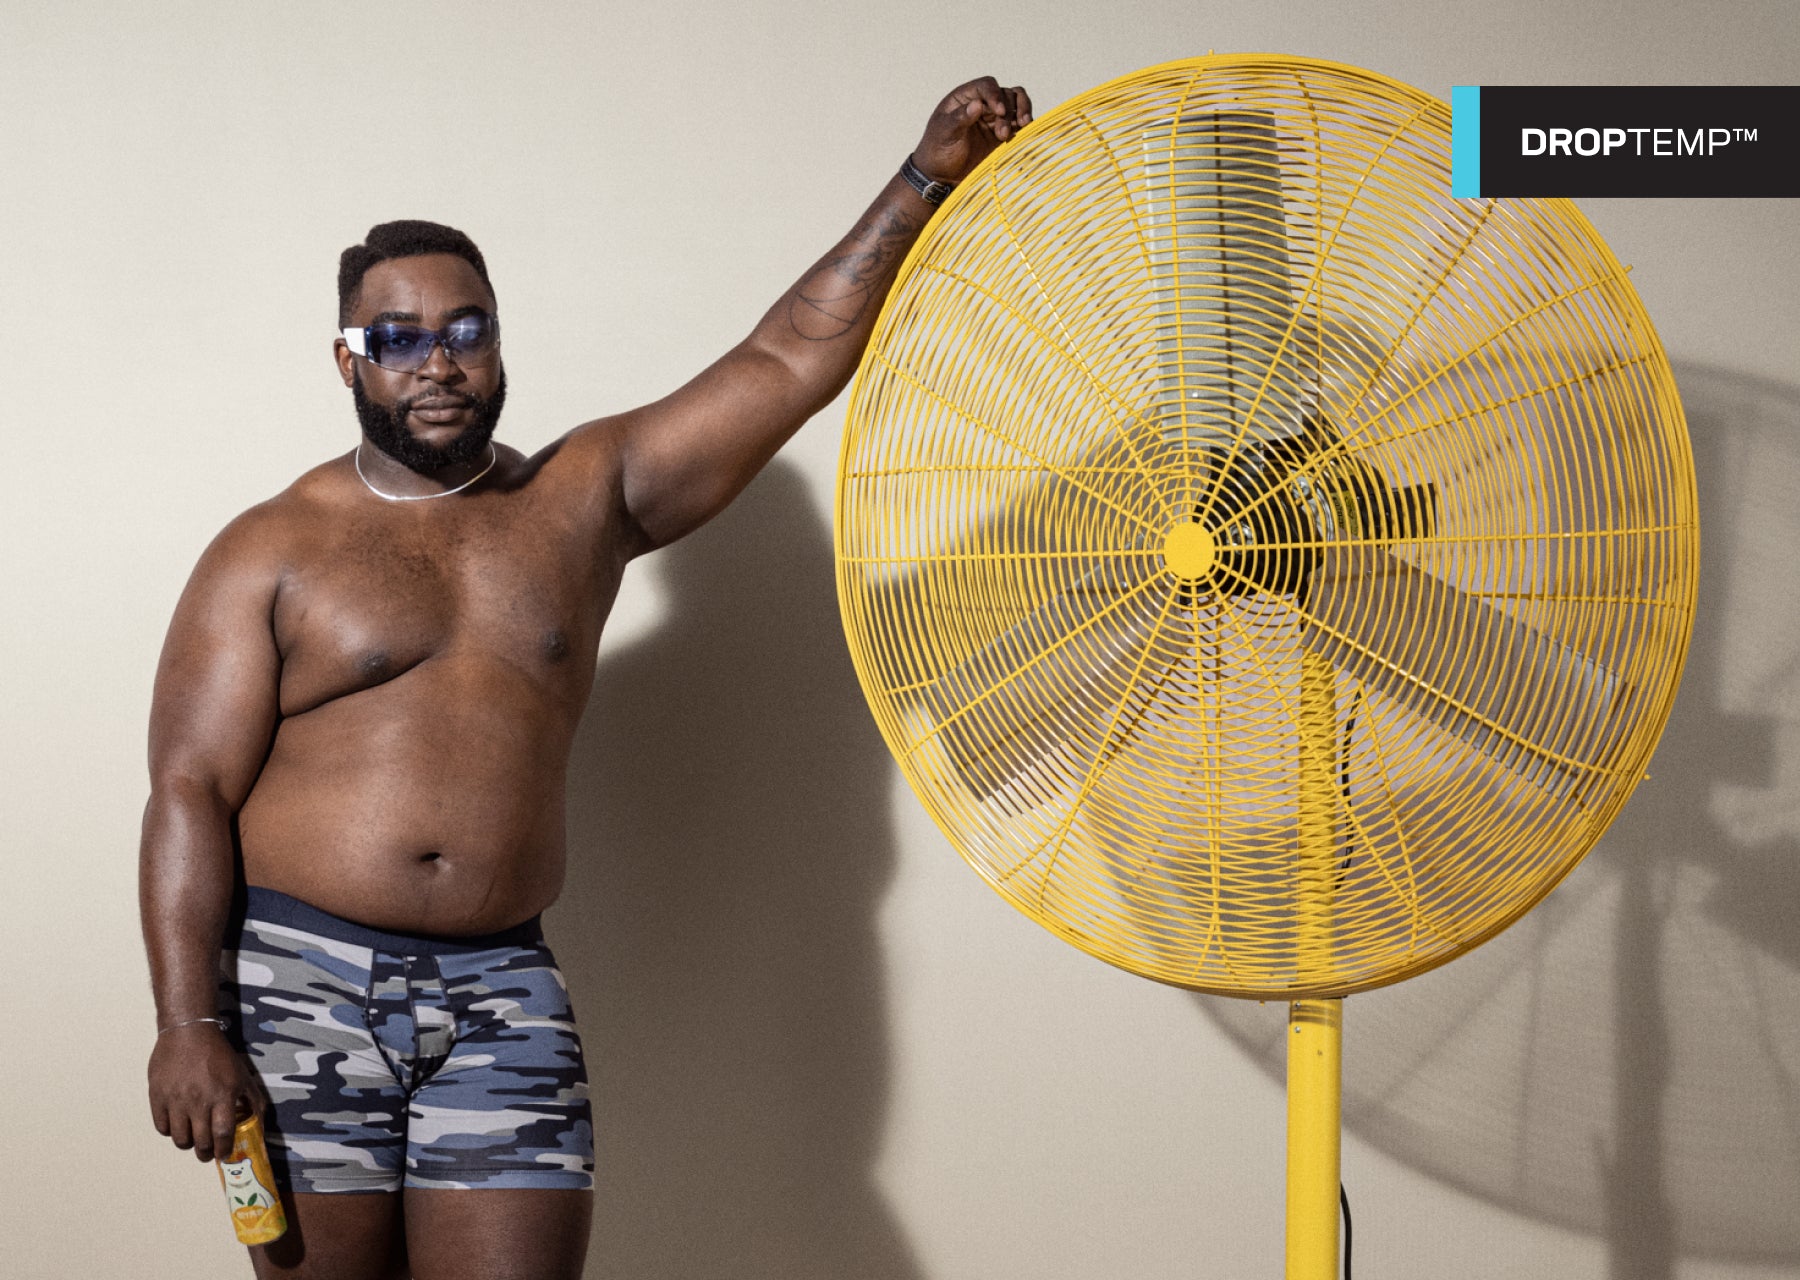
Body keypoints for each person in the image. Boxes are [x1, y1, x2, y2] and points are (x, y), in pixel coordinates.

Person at [141, 77, 1032, 1279]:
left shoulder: (580, 501)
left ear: (499, 338)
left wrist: (924, 179)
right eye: (399, 338)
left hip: (503, 978)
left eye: (466, 328)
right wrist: (189, 1025)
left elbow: (785, 357)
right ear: (348, 360)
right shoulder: (272, 546)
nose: (438, 361)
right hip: (303, 980)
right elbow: (188, 785)